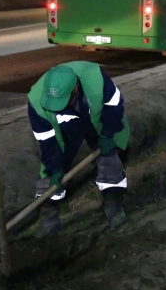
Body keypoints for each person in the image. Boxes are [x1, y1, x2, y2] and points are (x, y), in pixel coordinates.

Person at [27, 62, 129, 237]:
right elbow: (47, 142)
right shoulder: (36, 103)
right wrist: (55, 169)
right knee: (49, 174)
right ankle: (49, 220)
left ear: (75, 90)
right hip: (65, 128)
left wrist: (107, 133)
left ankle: (114, 207)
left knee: (109, 158)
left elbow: (114, 105)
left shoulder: (95, 78)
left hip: (96, 118)